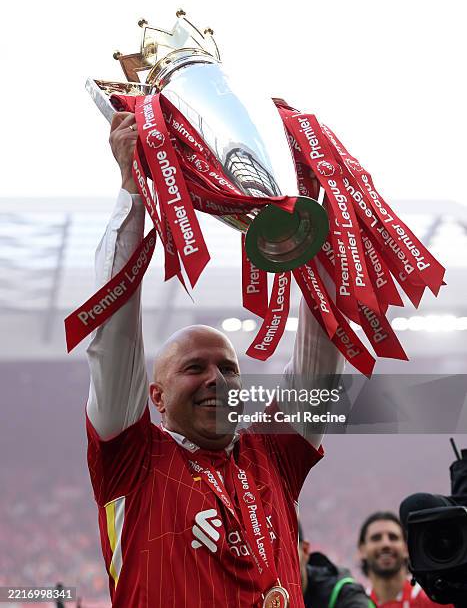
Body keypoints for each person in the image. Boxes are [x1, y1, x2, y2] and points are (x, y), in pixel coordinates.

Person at [85, 111, 344, 607]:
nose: (216, 380)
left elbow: (319, 366)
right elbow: (112, 336)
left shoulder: (273, 455)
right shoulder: (132, 458)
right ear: (155, 397)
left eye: (228, 369)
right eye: (194, 367)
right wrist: (133, 193)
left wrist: (319, 234)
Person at [358, 512, 450, 607]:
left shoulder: (434, 601)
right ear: (362, 550)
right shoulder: (356, 604)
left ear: (406, 548)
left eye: (393, 537)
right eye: (376, 538)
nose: (385, 544)